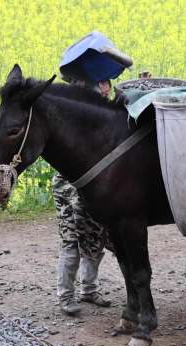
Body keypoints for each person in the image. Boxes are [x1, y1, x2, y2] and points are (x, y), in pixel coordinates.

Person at [54, 32, 132, 316]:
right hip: (69, 183)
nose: (106, 88)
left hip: (97, 181)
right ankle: (65, 295)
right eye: (102, 83)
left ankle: (89, 290)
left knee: (96, 237)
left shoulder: (100, 102)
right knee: (72, 240)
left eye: (107, 83)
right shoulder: (76, 106)